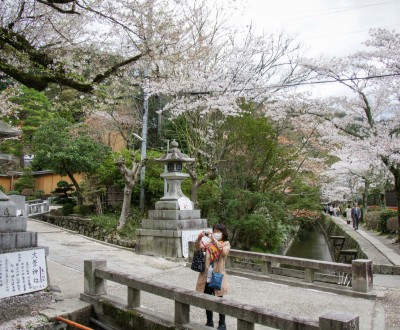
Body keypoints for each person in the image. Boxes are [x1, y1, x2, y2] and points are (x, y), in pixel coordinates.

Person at [195, 224, 231, 330]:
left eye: (218, 231)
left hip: (217, 276)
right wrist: (199, 238)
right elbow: (198, 248)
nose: (216, 233)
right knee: (207, 300)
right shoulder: (209, 243)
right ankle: (209, 322)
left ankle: (222, 324)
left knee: (219, 301)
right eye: (214, 231)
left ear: (223, 233)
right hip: (206, 276)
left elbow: (222, 252)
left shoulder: (225, 244)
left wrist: (213, 240)